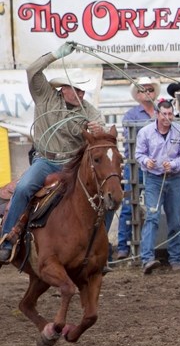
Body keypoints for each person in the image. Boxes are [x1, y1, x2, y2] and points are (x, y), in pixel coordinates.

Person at [0, 43, 107, 263]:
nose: (79, 94)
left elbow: (101, 130)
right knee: (23, 188)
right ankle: (7, 239)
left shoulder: (89, 111)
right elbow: (32, 71)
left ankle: (101, 248)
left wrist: (99, 131)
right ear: (63, 88)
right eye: (75, 89)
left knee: (107, 196)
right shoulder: (45, 96)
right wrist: (55, 55)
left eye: (82, 90)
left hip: (73, 164)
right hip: (45, 160)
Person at [135, 100, 180, 274]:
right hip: (154, 179)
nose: (167, 118)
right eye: (164, 114)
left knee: (175, 219)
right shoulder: (145, 132)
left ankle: (176, 259)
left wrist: (174, 164)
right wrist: (147, 161)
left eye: (170, 114)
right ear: (157, 114)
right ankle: (147, 259)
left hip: (174, 178)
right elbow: (139, 154)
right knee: (152, 217)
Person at [116, 77, 160, 260]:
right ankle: (122, 247)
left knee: (156, 206)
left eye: (150, 90)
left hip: (156, 166)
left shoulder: (160, 112)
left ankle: (150, 246)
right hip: (136, 164)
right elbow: (130, 140)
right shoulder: (131, 115)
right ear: (138, 94)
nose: (147, 93)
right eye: (143, 90)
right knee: (128, 205)